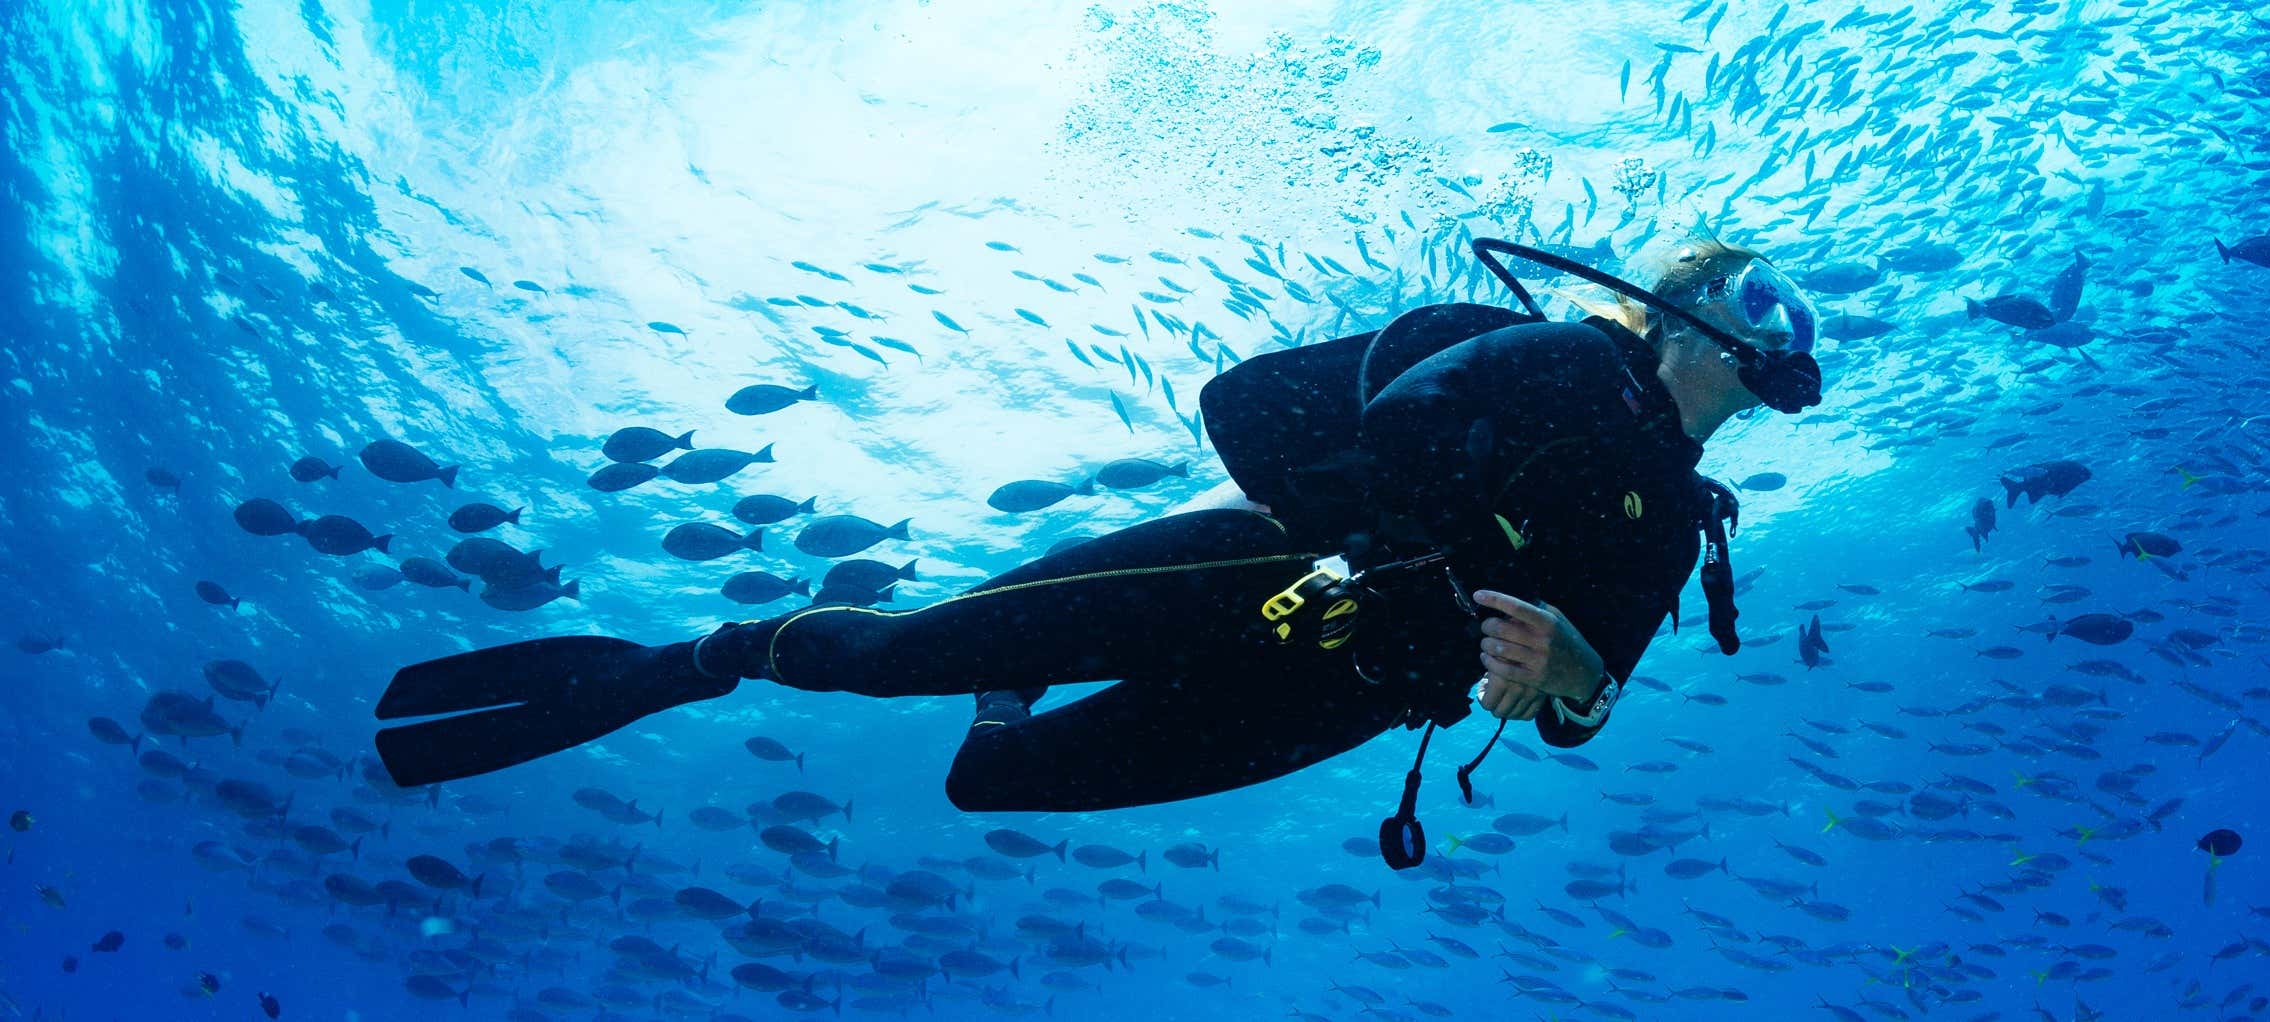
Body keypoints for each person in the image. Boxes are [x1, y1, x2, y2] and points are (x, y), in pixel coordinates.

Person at [373, 237, 1823, 862]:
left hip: (1357, 692)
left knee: (998, 776)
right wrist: (1432, 536)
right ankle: (704, 657)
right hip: (1262, 571)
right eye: (1766, 296)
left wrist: (1567, 680)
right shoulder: (1562, 360)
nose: (1788, 333)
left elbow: (1587, 704)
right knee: (889, 659)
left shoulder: (1680, 523)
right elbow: (1378, 415)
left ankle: (1007, 700)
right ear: (1689, 309)